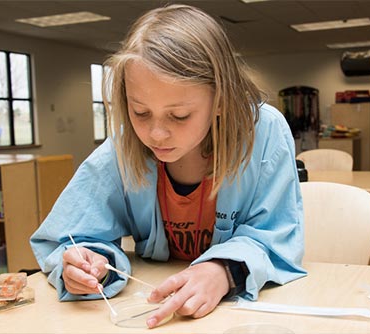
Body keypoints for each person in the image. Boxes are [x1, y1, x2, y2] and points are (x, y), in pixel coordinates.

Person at [30, 4, 305, 329]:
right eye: (140, 112)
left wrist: (224, 271)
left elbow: (279, 236)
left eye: (179, 115)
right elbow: (68, 237)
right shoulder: (124, 146)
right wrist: (88, 264)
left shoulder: (264, 133)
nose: (156, 134)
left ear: (220, 100)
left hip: (245, 319)